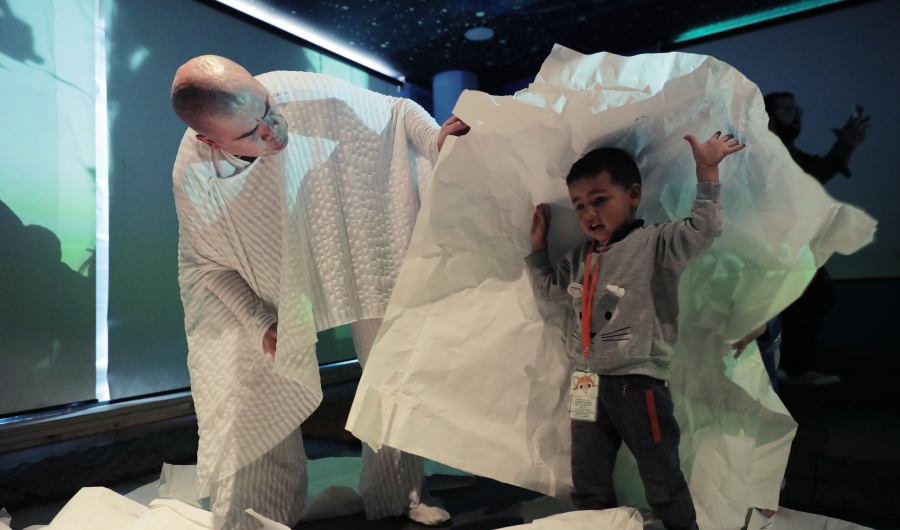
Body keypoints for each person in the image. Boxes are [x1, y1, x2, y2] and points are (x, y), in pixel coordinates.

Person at [170, 55, 467, 530]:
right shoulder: (194, 173)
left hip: (351, 234)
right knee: (256, 386)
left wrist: (434, 140)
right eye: (251, 133)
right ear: (210, 140)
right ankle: (263, 513)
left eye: (268, 110)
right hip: (261, 276)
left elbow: (395, 110)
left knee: (390, 365)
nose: (273, 131)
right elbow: (209, 263)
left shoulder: (291, 90)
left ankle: (401, 492)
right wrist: (258, 320)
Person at [526, 132, 744, 530]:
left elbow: (704, 229)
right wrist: (538, 246)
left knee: (661, 476)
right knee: (588, 478)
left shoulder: (655, 243)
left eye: (599, 199)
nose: (589, 213)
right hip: (585, 382)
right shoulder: (581, 255)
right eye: (579, 206)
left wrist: (707, 169)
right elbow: (546, 289)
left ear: (633, 194)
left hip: (637, 382)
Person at [764, 92, 870, 385]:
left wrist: (844, 147)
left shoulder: (787, 151)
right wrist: (844, 145)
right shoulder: (765, 150)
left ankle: (787, 369)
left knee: (813, 297)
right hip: (766, 247)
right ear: (768, 116)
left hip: (786, 246)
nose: (797, 115)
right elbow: (808, 178)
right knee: (811, 297)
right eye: (788, 110)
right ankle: (785, 370)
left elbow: (816, 170)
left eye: (798, 109)